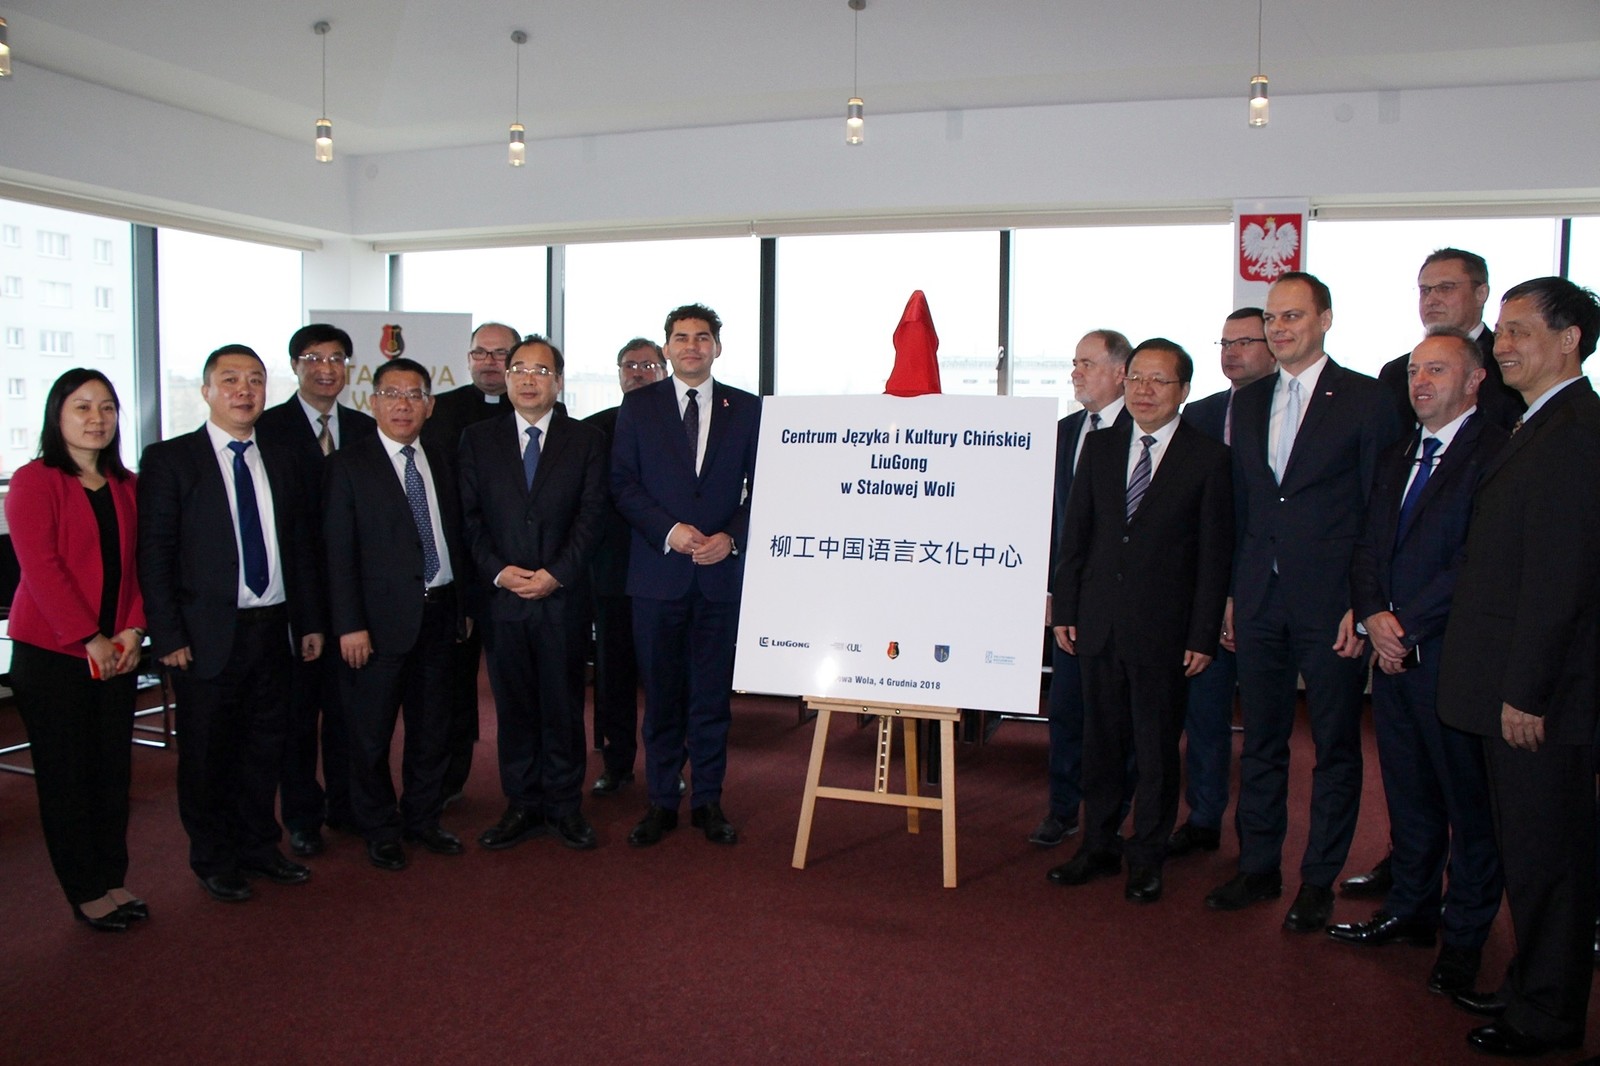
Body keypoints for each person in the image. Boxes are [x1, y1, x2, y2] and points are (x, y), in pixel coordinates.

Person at [1205, 271, 1403, 931]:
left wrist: (1362, 602)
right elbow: (1246, 507)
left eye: (1292, 316)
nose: (1279, 328)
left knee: (1335, 747)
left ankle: (1318, 879)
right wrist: (1232, 592)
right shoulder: (1250, 400)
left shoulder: (1368, 399)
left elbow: (1380, 509)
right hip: (1259, 597)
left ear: (1324, 320)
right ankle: (1258, 866)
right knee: (1261, 741)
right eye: (1272, 318)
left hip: (1333, 607)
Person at [1437, 277, 1600, 1058]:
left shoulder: (1575, 434)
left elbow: (1561, 582)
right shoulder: (1538, 423)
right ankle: (1533, 983)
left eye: (1520, 331)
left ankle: (1548, 1015)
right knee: (1528, 853)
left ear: (1570, 340)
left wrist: (1527, 694)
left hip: (1539, 698)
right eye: (1499, 331)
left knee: (1550, 860)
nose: (1501, 345)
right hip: (1509, 682)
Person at [1331, 330, 1506, 1000]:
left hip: (1450, 661)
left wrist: (1402, 623)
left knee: (1469, 807)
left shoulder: (1497, 452)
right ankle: (1410, 910)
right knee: (1408, 795)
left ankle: (1464, 940)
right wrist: (1372, 613)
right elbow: (1368, 545)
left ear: (1475, 379)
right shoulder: (1400, 451)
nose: (1421, 382)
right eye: (1413, 371)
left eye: (1437, 370)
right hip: (1393, 659)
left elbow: (1477, 560)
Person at [138, 344, 324, 904]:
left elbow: (301, 548)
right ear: (207, 391)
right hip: (205, 634)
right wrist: (168, 635)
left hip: (275, 627)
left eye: (255, 380)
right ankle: (214, 858)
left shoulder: (283, 458)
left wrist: (310, 621)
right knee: (207, 753)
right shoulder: (171, 460)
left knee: (267, 745)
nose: (244, 391)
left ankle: (260, 846)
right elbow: (155, 554)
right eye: (230, 380)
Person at [1049, 340, 1232, 904]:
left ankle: (1147, 856)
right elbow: (1076, 535)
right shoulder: (1101, 447)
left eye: (1159, 381)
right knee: (1101, 745)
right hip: (1098, 625)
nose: (1145, 391)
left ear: (1184, 391)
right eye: (1136, 379)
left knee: (1155, 752)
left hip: (1165, 633)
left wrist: (1203, 634)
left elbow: (1214, 557)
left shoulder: (1208, 458)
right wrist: (1066, 609)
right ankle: (1097, 846)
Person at [611, 303, 760, 847]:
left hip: (719, 577)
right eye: (681, 337)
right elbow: (622, 483)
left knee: (711, 698)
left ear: (717, 347)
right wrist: (669, 530)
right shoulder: (639, 406)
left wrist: (732, 538)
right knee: (662, 698)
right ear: (666, 348)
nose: (691, 346)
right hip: (658, 576)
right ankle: (661, 801)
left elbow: (766, 486)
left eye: (702, 337)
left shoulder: (747, 408)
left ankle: (708, 801)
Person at [5, 369, 149, 931]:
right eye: (82, 407)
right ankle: (84, 889)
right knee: (68, 776)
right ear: (57, 416)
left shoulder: (128, 484)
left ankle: (112, 877)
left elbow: (141, 566)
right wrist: (89, 638)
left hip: (119, 651)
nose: (97, 418)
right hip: (55, 654)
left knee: (112, 773)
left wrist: (133, 630)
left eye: (107, 407)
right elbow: (41, 568)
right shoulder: (34, 481)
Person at [461, 336, 608, 850]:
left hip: (562, 599)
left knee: (564, 706)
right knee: (514, 707)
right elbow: (469, 519)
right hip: (502, 600)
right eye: (519, 368)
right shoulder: (477, 439)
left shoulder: (585, 439)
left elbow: (592, 517)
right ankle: (522, 803)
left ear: (558, 381)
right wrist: (498, 572)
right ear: (505, 378)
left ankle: (565, 806)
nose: (528, 379)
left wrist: (556, 574)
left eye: (541, 371)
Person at [324, 357, 469, 872]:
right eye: (392, 395)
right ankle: (380, 827)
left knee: (432, 728)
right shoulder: (348, 465)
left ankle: (423, 818)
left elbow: (457, 536)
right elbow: (337, 553)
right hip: (376, 625)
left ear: (429, 405)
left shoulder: (443, 459)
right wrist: (349, 624)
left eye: (414, 395)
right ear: (373, 403)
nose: (403, 405)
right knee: (371, 734)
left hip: (440, 613)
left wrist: (464, 606)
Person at [256, 323, 376, 858]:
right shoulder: (266, 428)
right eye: (313, 358)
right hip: (296, 598)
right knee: (298, 719)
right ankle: (302, 816)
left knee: (352, 715)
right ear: (294, 366)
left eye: (336, 359)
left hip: (357, 600)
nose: (326, 369)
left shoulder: (365, 427)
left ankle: (348, 806)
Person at [1169, 307, 1275, 858]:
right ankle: (1204, 816)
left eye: (1245, 342)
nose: (1232, 353)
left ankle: (1260, 844)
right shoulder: (1202, 413)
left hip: (1269, 587)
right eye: (1225, 343)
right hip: (1203, 588)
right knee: (1204, 712)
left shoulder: (1291, 412)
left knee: (1266, 727)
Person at [1030, 329, 1131, 848]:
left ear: (1120, 372)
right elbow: (1050, 521)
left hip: (1124, 604)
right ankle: (1063, 809)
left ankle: (1113, 819)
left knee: (1118, 718)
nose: (1076, 372)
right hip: (1070, 601)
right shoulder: (1063, 433)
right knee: (1067, 711)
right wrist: (1050, 589)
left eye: (1087, 363)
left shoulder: (1144, 433)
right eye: (1075, 363)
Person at [421, 321, 521, 803]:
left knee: (518, 687)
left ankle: (527, 788)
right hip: (457, 573)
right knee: (453, 688)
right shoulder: (438, 412)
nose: (490, 362)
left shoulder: (540, 409)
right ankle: (449, 781)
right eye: (481, 353)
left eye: (500, 354)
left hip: (515, 575)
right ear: (468, 358)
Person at [582, 338, 667, 794]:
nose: (637, 372)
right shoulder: (593, 430)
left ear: (664, 371)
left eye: (647, 365)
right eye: (629, 365)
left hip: (668, 570)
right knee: (613, 675)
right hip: (613, 571)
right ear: (618, 373)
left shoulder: (682, 426)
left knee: (664, 677)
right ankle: (616, 764)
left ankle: (666, 767)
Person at [1376, 248, 1523, 435]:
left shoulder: (1507, 362)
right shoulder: (1395, 373)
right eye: (1425, 290)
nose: (1431, 300)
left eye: (1445, 288)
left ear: (1481, 293)